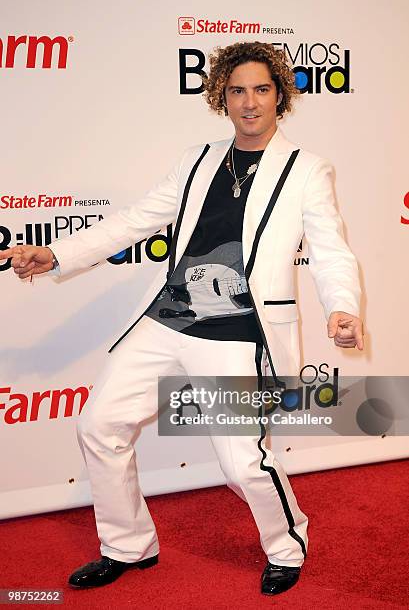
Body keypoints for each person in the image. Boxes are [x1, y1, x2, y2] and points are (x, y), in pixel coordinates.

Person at [0, 41, 364, 596]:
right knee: (100, 425)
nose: (249, 102)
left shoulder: (307, 170)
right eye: (237, 90)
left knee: (244, 464)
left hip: (241, 333)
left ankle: (287, 545)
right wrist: (55, 255)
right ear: (222, 96)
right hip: (170, 318)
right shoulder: (197, 160)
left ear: (280, 97)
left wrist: (342, 306)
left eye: (261, 90)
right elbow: (134, 221)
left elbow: (332, 249)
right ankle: (128, 545)